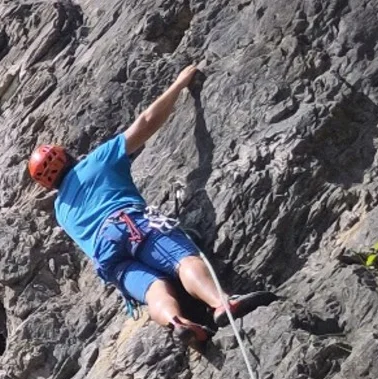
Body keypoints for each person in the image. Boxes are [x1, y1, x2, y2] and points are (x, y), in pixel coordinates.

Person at [25, 64, 271, 346]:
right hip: (130, 224)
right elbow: (145, 121)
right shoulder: (96, 161)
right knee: (183, 260)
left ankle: (176, 321)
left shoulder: (61, 212)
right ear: (65, 156)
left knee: (156, 289)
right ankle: (221, 303)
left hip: (108, 259)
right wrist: (179, 84)